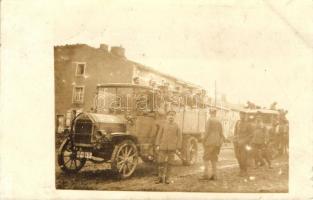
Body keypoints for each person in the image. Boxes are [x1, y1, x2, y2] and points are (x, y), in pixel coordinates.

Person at [155, 110, 182, 184]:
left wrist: (178, 147)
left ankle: (167, 178)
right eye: (170, 115)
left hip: (172, 148)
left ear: (174, 117)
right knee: (160, 162)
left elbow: (179, 137)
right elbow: (159, 135)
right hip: (163, 146)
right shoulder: (163, 125)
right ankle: (159, 178)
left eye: (172, 116)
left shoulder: (177, 126)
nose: (171, 117)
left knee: (170, 163)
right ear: (167, 116)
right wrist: (157, 145)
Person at [200, 109, 225, 180]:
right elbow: (221, 133)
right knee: (214, 158)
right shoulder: (219, 121)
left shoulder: (209, 120)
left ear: (210, 113)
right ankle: (215, 175)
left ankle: (205, 175)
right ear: (215, 113)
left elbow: (207, 132)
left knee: (205, 158)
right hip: (217, 143)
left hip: (210, 142)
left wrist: (203, 140)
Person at [234, 111, 253, 176]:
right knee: (237, 156)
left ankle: (244, 170)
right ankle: (241, 169)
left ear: (245, 115)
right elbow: (235, 132)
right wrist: (235, 140)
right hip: (237, 143)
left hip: (244, 144)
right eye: (240, 114)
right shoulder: (237, 122)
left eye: (243, 115)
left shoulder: (248, 124)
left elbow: (251, 135)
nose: (241, 116)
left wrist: (244, 141)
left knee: (243, 157)